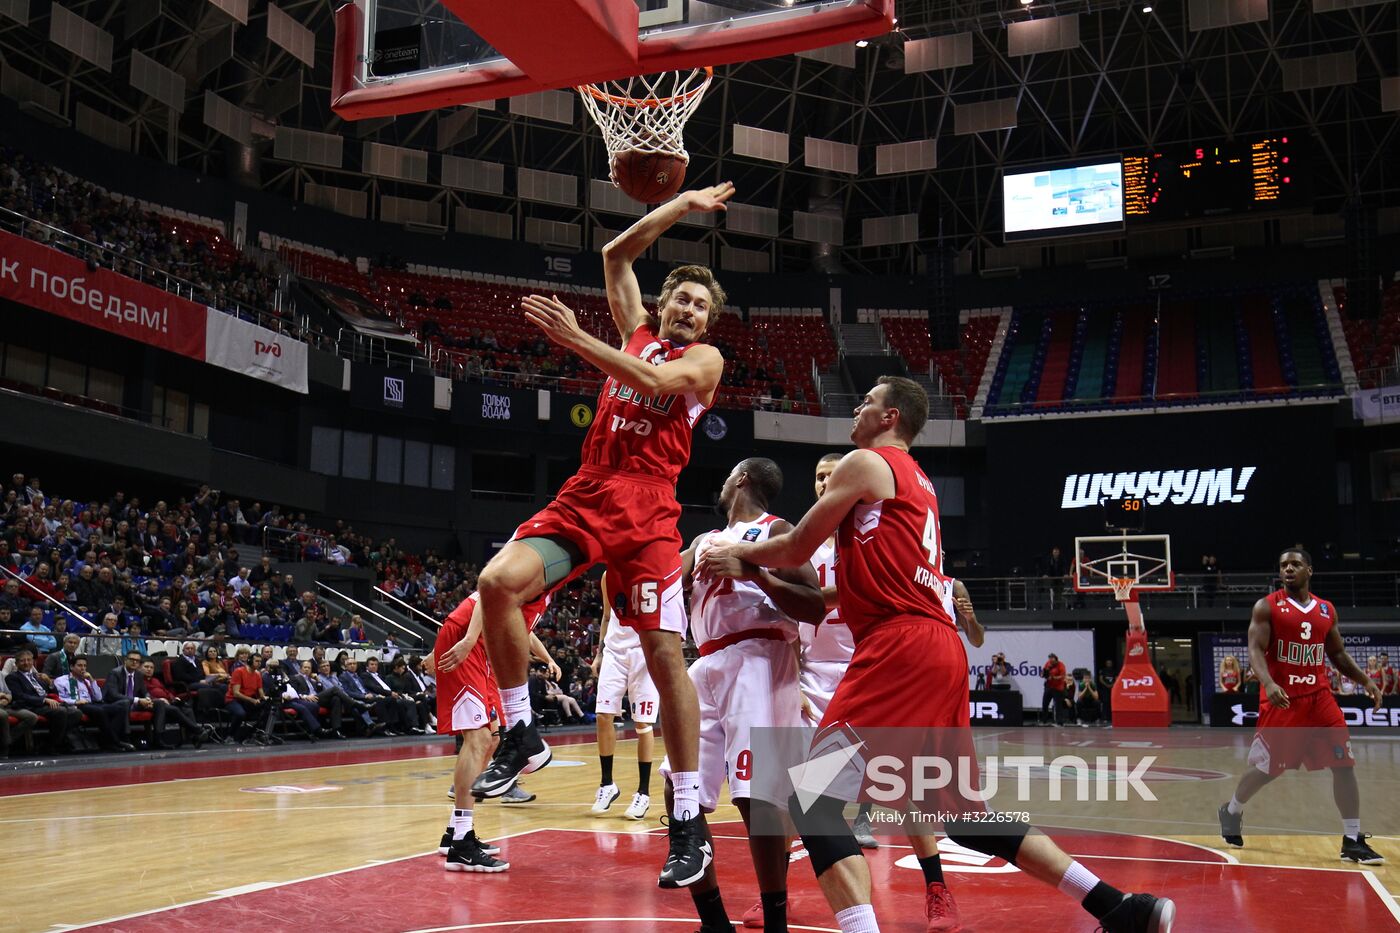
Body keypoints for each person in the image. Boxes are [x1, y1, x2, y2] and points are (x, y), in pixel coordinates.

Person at [700, 376, 1175, 933]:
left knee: (813, 798)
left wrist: (740, 554)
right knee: (962, 818)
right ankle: (1119, 907)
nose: (857, 406)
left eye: (867, 401)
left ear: (891, 418)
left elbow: (797, 545)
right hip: (937, 647)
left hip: (897, 648)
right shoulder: (919, 483)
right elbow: (843, 583)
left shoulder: (866, 463)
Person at [470, 181, 736, 889]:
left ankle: (687, 818)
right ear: (664, 302)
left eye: (699, 304)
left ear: (708, 320)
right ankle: (522, 729)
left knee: (664, 653)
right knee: (496, 583)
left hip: (649, 513)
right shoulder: (635, 328)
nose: (687, 307)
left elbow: (646, 375)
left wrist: (578, 338)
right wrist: (682, 206)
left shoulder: (701, 363)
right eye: (680, 296)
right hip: (589, 493)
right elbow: (616, 252)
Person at [669, 456, 825, 933]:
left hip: (759, 657)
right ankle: (714, 921)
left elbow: (815, 606)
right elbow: (659, 588)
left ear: (740, 479)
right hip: (705, 661)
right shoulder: (701, 542)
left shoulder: (776, 528)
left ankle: (775, 919)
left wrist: (753, 572)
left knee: (755, 796)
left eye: (724, 475)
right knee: (681, 789)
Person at [1218, 548, 1384, 865]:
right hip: (1284, 698)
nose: (1288, 569)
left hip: (1320, 699)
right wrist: (1267, 683)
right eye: (1283, 565)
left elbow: (1337, 655)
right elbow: (1255, 648)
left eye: (1295, 564)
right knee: (1269, 769)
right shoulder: (1267, 606)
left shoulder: (1326, 610)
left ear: (1310, 570)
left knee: (1344, 763)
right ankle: (1232, 809)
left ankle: (1352, 839)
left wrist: (1366, 681)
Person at [429, 590, 550, 872]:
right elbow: (487, 594)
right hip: (470, 639)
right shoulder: (541, 562)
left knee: (492, 739)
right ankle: (461, 842)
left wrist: (547, 659)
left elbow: (522, 629)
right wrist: (467, 640)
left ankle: (455, 832)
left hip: (482, 647)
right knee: (478, 738)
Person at [590, 572, 660, 822]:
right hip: (614, 652)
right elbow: (607, 616)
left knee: (642, 724)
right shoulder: (609, 575)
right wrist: (599, 653)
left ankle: (643, 793)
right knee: (602, 715)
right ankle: (607, 784)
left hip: (644, 652)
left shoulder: (649, 570)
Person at [7, 648, 82, 752]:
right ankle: (52, 745)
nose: (26, 663)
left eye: (29, 660)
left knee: (76, 713)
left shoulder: (37, 676)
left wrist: (50, 683)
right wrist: (44, 700)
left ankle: (53, 741)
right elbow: (20, 696)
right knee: (60, 712)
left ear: (33, 661)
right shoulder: (12, 677)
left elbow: (54, 693)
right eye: (22, 660)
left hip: (47, 703)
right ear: (16, 663)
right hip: (30, 706)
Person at [53, 656, 135, 751]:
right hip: (77, 705)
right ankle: (115, 742)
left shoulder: (87, 681)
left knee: (122, 706)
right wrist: (75, 701)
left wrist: (92, 680)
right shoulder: (61, 680)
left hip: (92, 704)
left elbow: (99, 697)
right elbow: (59, 698)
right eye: (80, 665)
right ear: (71, 667)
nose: (83, 668)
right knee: (99, 710)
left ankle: (109, 741)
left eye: (85, 666)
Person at [1041, 652, 1070, 726]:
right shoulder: (1048, 663)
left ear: (1056, 660)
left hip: (1058, 688)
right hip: (1049, 686)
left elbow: (1062, 676)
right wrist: (1042, 674)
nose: (1051, 662)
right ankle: (1044, 720)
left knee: (1058, 705)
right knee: (1045, 703)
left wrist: (1053, 677)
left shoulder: (1061, 665)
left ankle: (1059, 722)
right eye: (1050, 660)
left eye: (1052, 661)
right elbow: (1044, 670)